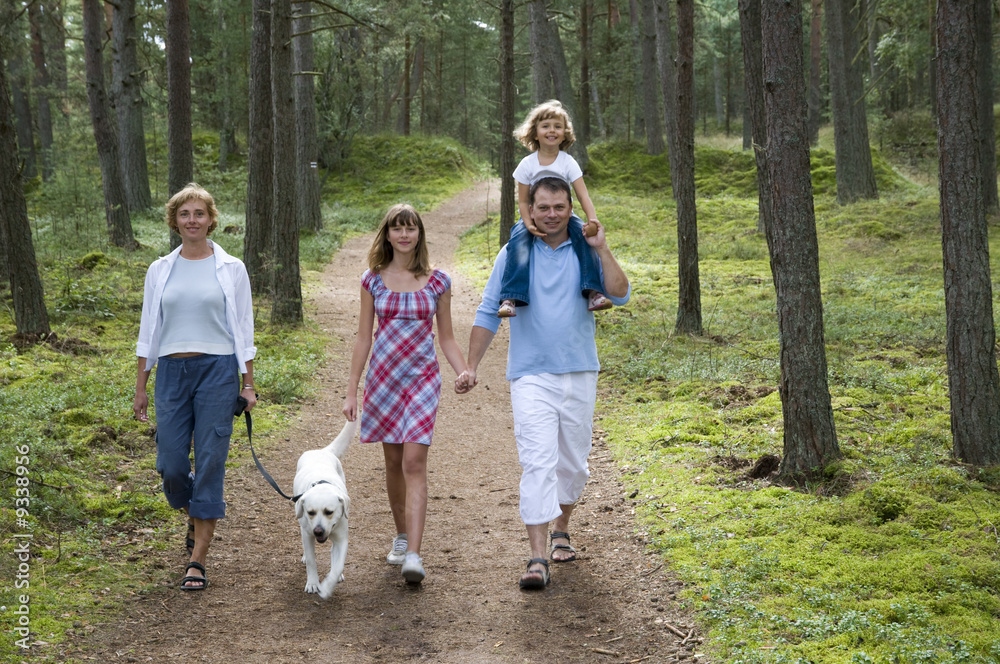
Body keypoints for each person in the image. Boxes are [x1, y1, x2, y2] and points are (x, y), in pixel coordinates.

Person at [459, 177, 630, 589]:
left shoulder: (585, 249)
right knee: (537, 462)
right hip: (530, 374)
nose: (551, 215)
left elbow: (620, 294)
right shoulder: (514, 253)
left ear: (570, 207)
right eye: (543, 208)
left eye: (559, 207)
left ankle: (561, 527)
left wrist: (602, 247)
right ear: (530, 210)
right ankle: (537, 557)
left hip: (579, 371)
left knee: (573, 466)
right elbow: (487, 310)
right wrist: (471, 365)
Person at [133, 183, 257, 591]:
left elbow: (243, 327)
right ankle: (196, 510)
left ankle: (197, 560)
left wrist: (248, 383)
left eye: (199, 213)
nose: (192, 220)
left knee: (209, 460)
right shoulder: (159, 269)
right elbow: (148, 330)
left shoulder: (232, 268)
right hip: (170, 371)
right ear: (175, 220)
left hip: (218, 371)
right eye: (184, 214)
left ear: (211, 219)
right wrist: (141, 387)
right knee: (170, 464)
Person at [342, 203, 469, 585]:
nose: (404, 235)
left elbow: (445, 336)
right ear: (388, 235)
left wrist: (462, 369)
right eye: (397, 228)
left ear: (419, 235)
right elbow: (364, 337)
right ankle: (401, 537)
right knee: (394, 462)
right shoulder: (372, 280)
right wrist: (352, 391)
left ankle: (414, 553)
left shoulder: (437, 281)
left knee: (414, 462)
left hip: (422, 381)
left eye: (410, 228)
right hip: (383, 380)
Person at [497, 99, 611, 318]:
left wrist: (592, 220)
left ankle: (594, 291)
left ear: (565, 133)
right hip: (533, 217)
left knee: (584, 240)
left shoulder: (568, 162)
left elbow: (582, 193)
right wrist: (528, 224)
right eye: (546, 126)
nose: (552, 131)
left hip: (564, 215)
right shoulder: (527, 165)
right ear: (535, 132)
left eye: (557, 126)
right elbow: (522, 201)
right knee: (517, 240)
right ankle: (510, 297)